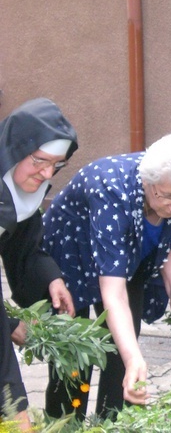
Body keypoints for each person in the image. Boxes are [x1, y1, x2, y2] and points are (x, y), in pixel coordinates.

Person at [42, 131, 171, 420]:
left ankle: (112, 423)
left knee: (124, 347)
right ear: (147, 181)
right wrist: (136, 356)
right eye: (168, 197)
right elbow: (113, 292)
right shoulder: (111, 188)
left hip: (128, 256)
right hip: (70, 257)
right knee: (75, 354)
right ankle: (63, 424)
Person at [0, 98, 78, 432]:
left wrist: (50, 280)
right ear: (14, 150)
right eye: (39, 161)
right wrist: (7, 323)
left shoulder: (25, 190)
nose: (47, 174)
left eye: (56, 165)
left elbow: (24, 250)